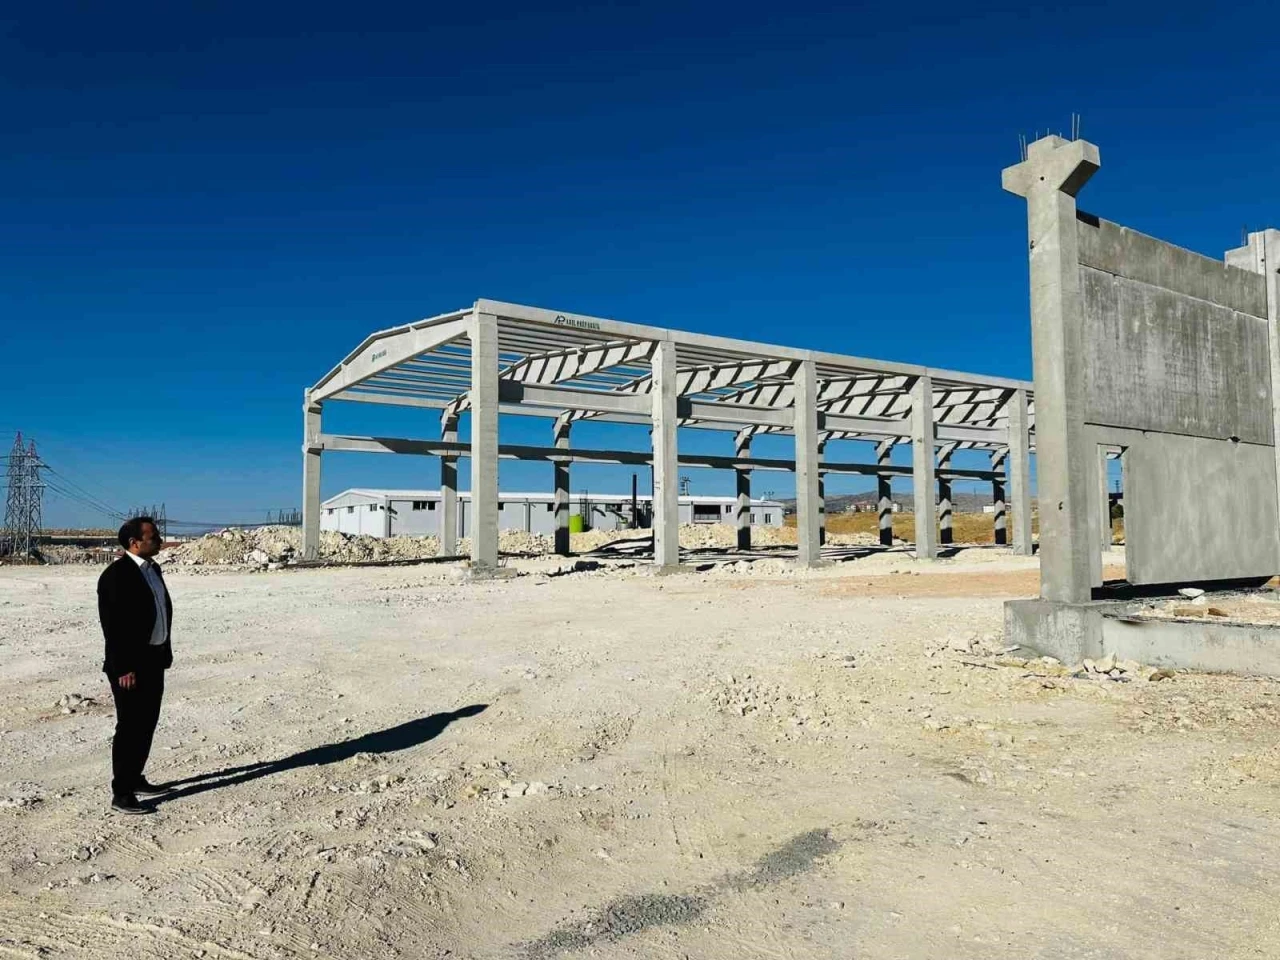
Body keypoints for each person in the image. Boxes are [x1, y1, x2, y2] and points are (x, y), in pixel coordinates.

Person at [98, 516, 174, 814]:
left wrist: (164, 649)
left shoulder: (153, 570)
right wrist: (123, 668)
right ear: (134, 543)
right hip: (130, 668)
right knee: (130, 727)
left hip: (153, 660)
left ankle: (135, 777)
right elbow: (113, 627)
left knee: (146, 724)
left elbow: (160, 611)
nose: (160, 540)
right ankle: (122, 793)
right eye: (153, 536)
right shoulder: (116, 576)